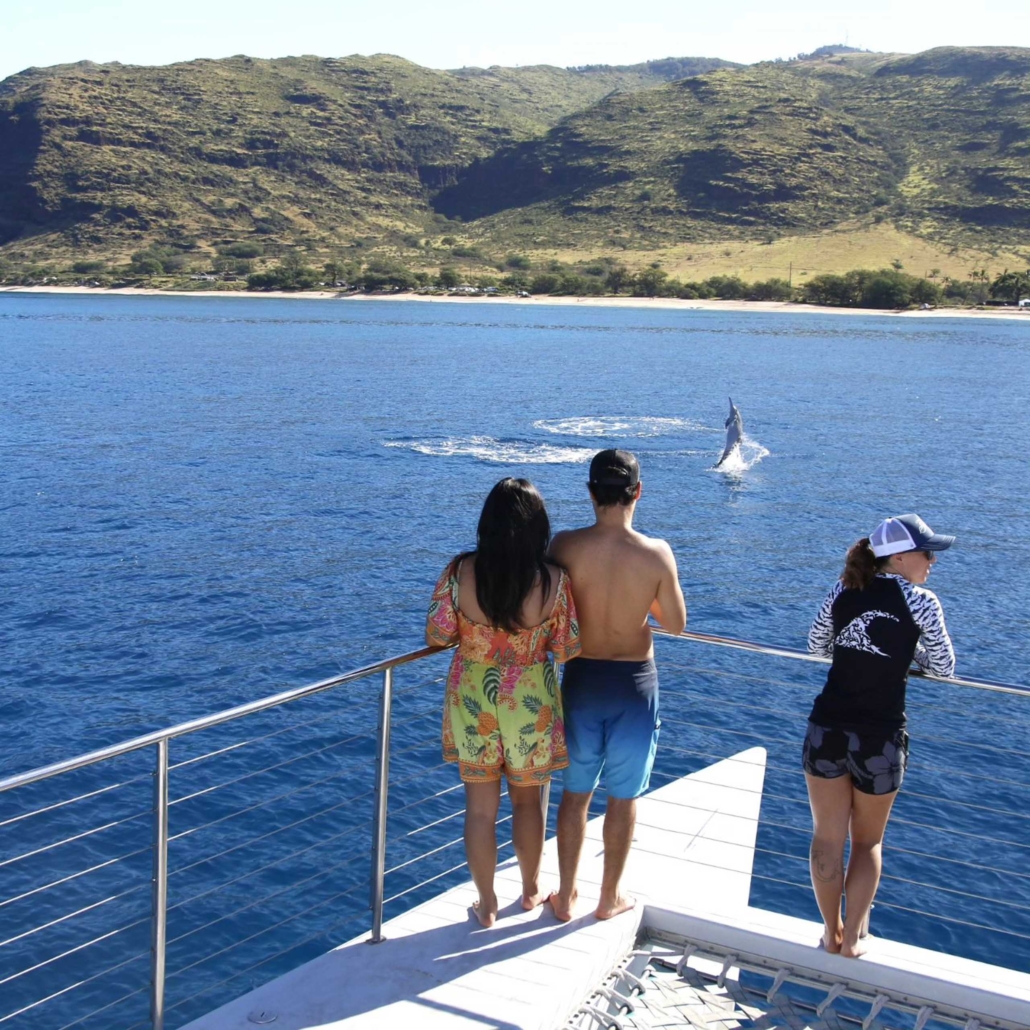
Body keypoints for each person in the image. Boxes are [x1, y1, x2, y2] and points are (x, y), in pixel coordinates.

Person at [425, 477, 580, 927]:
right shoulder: (553, 580)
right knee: (529, 804)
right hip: (530, 697)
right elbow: (568, 646)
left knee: (479, 809)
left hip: (474, 695)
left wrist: (476, 637)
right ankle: (530, 892)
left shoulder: (460, 571)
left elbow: (436, 635)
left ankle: (487, 903)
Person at [804, 513, 955, 957]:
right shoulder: (922, 602)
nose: (932, 561)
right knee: (867, 841)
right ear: (903, 557)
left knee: (827, 836)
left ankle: (829, 934)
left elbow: (816, 646)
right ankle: (853, 940)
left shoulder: (843, 589)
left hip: (827, 727)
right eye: (928, 553)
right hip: (880, 739)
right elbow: (945, 669)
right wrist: (908, 658)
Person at [547, 449, 686, 922]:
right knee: (623, 798)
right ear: (638, 492)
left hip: (582, 679)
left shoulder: (563, 546)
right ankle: (609, 899)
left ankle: (565, 897)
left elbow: (549, 609)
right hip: (633, 685)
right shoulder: (655, 553)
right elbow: (677, 624)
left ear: (590, 493)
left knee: (575, 795)